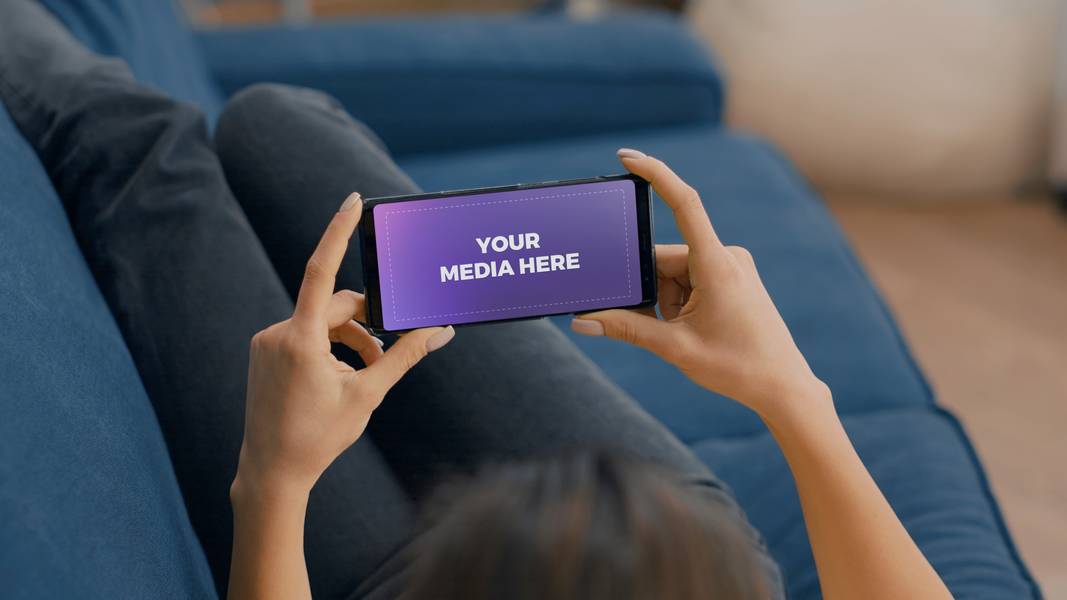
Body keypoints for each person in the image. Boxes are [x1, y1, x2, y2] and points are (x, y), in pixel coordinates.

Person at [0, 2, 951, 599]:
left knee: (141, 149)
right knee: (276, 128)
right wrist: (788, 392)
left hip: (390, 582)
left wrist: (275, 483)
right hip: (668, 564)